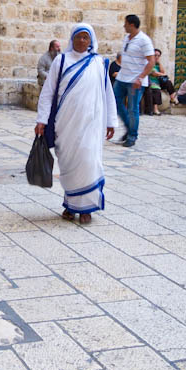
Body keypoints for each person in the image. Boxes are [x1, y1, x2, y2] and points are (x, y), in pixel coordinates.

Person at [35, 23, 116, 224]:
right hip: (65, 124)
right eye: (78, 37)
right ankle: (71, 204)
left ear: (91, 40)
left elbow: (107, 92)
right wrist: (41, 120)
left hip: (92, 123)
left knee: (89, 162)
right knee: (69, 166)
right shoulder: (61, 61)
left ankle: (86, 208)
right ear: (72, 39)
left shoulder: (99, 63)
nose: (82, 41)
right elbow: (47, 92)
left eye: (85, 37)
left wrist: (110, 121)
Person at [113, 14, 155, 147]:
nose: (124, 26)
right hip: (122, 77)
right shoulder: (127, 38)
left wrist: (141, 77)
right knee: (115, 102)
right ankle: (128, 127)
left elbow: (151, 61)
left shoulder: (144, 40)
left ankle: (132, 136)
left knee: (133, 109)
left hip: (135, 80)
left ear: (131, 25)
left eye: (125, 23)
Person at [143, 49, 178, 115]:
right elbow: (154, 73)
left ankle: (172, 98)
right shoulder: (149, 63)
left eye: (158, 56)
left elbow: (162, 71)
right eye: (155, 55)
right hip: (150, 82)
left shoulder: (157, 64)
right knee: (156, 89)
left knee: (168, 82)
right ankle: (155, 109)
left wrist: (159, 63)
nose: (157, 57)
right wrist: (164, 75)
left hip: (158, 81)